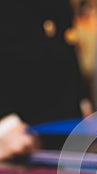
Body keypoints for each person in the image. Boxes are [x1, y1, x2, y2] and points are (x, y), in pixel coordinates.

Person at [0, 0, 91, 160]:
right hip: (15, 129)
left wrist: (81, 99)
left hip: (60, 120)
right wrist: (4, 123)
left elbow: (63, 38)